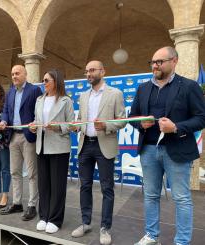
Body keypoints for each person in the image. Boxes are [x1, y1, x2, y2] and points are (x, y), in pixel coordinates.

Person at [130, 46, 205, 245]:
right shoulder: (143, 88)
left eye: (159, 62)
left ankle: (181, 241)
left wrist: (176, 127)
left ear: (174, 61)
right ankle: (152, 236)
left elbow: (201, 118)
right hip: (148, 149)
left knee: (181, 198)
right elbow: (132, 117)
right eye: (153, 62)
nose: (155, 65)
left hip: (177, 150)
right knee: (151, 195)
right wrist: (140, 123)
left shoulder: (189, 86)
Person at [71, 61, 126, 245]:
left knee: (107, 189)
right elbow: (80, 119)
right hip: (85, 144)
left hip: (105, 145)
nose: (88, 74)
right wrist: (76, 126)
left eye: (92, 70)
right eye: (86, 71)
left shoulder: (115, 93)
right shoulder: (83, 95)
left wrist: (106, 125)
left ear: (103, 71)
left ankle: (105, 228)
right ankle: (86, 223)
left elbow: (122, 120)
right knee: (84, 186)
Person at [29, 69, 74, 233]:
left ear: (56, 81)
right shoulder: (39, 100)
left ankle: (55, 219)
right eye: (43, 80)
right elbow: (36, 120)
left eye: (47, 80)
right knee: (44, 184)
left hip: (59, 148)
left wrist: (57, 127)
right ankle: (44, 216)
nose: (44, 83)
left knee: (57, 185)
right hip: (41, 147)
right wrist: (33, 127)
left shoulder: (65, 101)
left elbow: (72, 125)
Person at [0, 65, 42, 221]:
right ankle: (17, 203)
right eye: (12, 74)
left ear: (25, 74)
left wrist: (36, 123)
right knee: (15, 172)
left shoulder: (34, 90)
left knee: (31, 173)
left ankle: (31, 205)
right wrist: (3, 120)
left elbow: (40, 110)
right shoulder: (10, 92)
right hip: (13, 136)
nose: (14, 76)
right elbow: (6, 111)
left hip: (28, 136)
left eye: (17, 73)